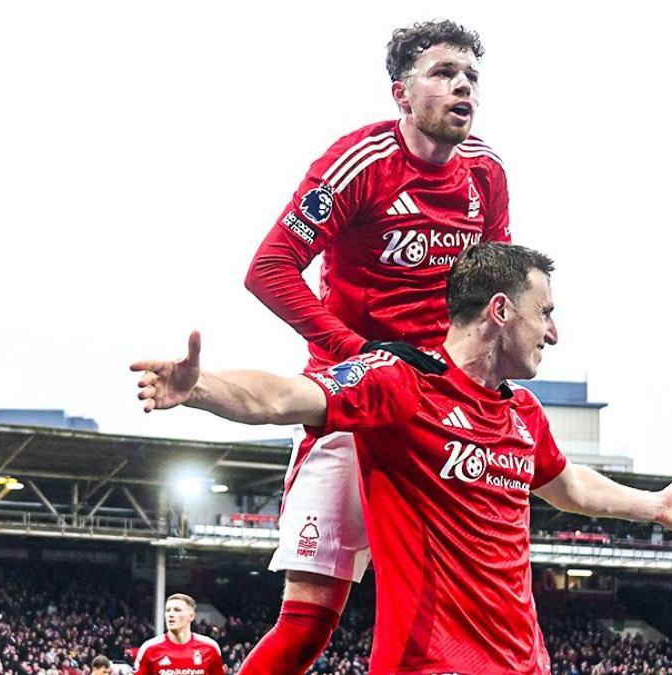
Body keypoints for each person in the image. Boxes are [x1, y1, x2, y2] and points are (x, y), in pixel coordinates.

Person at [132, 243, 672, 673]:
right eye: (545, 313)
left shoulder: (522, 412)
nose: (554, 334)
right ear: (500, 311)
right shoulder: (403, 383)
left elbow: (570, 485)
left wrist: (654, 506)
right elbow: (288, 396)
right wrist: (200, 388)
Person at [233, 18, 506, 675]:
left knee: (463, 618)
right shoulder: (358, 163)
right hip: (355, 399)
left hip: (441, 413)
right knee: (306, 625)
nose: (462, 85)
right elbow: (268, 269)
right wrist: (362, 353)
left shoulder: (488, 174)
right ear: (401, 94)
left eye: (471, 75)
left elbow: (494, 290)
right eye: (444, 73)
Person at [132, 594, 224, 675]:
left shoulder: (210, 647)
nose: (170, 614)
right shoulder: (149, 648)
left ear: (191, 616)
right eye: (168, 610)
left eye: (177, 610)